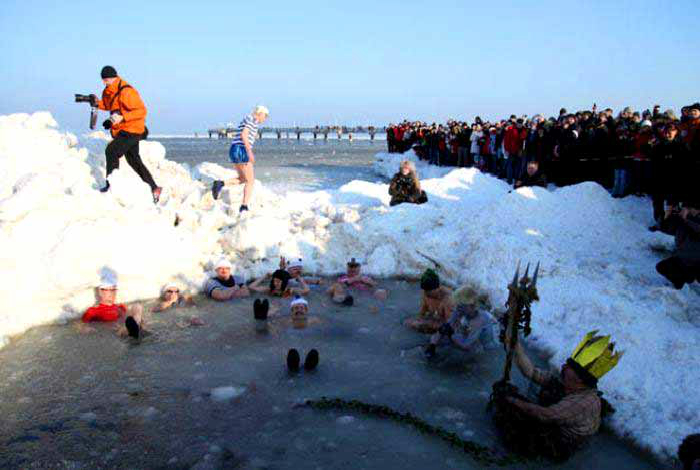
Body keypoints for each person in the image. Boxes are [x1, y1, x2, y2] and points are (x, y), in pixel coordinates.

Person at [491, 330, 623, 460]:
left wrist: (510, 399)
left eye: (570, 367)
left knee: (513, 415)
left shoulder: (583, 401)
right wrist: (515, 346)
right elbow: (530, 372)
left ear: (580, 379)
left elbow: (545, 414)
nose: (564, 367)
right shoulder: (567, 382)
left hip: (563, 441)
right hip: (557, 417)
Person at [94, 66, 162, 203]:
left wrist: (121, 117)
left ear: (114, 77)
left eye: (107, 80)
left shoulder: (127, 92)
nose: (104, 83)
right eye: (103, 80)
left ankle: (112, 186)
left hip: (132, 129)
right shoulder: (109, 91)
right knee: (134, 160)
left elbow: (141, 111)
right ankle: (154, 187)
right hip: (123, 129)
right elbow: (108, 105)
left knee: (111, 151)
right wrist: (96, 103)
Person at [211, 105, 270, 212]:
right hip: (241, 150)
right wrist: (249, 152)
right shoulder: (251, 119)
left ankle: (219, 184)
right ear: (260, 113)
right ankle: (244, 206)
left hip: (235, 149)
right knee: (250, 181)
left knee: (243, 179)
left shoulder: (251, 121)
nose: (265, 119)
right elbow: (244, 135)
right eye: (265, 116)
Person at [424, 284, 496, 358]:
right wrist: (432, 345)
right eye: (458, 305)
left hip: (485, 349)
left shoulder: (480, 319)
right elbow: (446, 327)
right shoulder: (461, 309)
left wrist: (451, 334)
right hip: (469, 336)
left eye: (461, 306)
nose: (458, 308)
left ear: (471, 305)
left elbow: (466, 345)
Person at [655, 204, 700, 289]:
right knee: (662, 267)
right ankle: (684, 280)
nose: (685, 210)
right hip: (684, 259)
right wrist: (667, 215)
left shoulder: (691, 221)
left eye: (689, 208)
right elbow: (666, 228)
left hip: (695, 263)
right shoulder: (683, 222)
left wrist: (687, 218)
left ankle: (688, 278)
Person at [404, 269, 453, 334]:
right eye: (425, 291)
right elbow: (422, 311)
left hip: (446, 324)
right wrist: (419, 320)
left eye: (429, 292)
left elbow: (450, 322)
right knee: (408, 322)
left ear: (437, 288)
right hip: (434, 318)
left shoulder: (447, 298)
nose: (426, 293)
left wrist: (427, 323)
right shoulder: (426, 293)